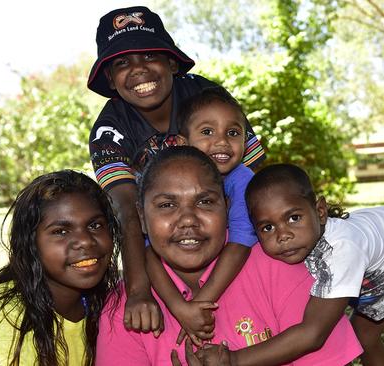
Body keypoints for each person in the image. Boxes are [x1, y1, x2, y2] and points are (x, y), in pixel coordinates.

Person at [86, 6, 265, 337]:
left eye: (150, 54)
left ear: (171, 61)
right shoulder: (110, 130)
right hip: (157, 233)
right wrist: (139, 293)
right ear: (110, 78)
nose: (138, 70)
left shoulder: (204, 96)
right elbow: (129, 212)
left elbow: (251, 169)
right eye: (122, 62)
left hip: (224, 218)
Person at [95, 146, 362, 365]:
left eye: (204, 202)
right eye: (167, 205)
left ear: (228, 208)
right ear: (142, 218)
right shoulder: (126, 311)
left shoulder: (278, 265)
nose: (188, 220)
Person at [235, 163, 384, 366]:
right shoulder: (304, 242)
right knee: (362, 336)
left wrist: (232, 361)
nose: (283, 235)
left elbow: (313, 334)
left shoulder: (341, 251)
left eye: (293, 217)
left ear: (320, 211)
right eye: (268, 227)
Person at [0, 170, 122, 366]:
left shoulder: (105, 305)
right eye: (61, 231)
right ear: (31, 244)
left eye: (95, 225)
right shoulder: (7, 312)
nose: (85, 241)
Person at [145, 87, 258, 345]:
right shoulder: (165, 178)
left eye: (233, 133)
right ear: (183, 143)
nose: (221, 142)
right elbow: (148, 251)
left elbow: (241, 242)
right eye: (208, 132)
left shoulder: (242, 180)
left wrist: (200, 303)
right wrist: (179, 307)